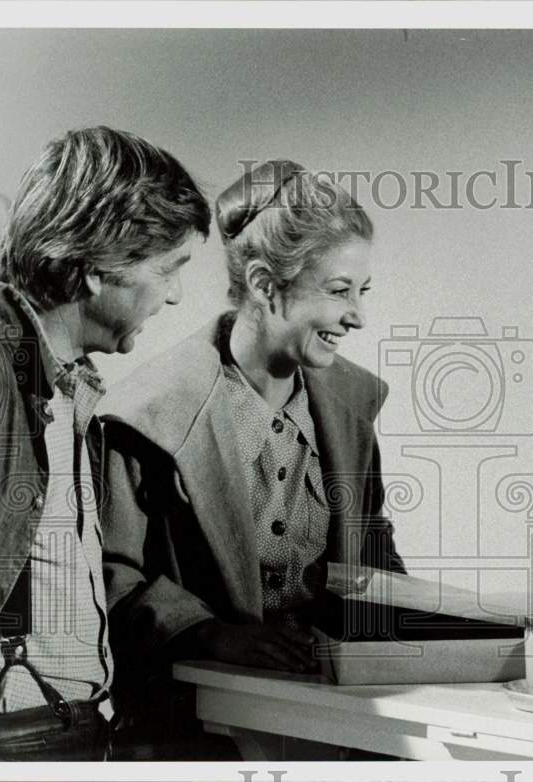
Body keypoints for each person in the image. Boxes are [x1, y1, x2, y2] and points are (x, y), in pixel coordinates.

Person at [100, 159, 407, 757]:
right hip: (197, 730)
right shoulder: (148, 413)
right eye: (339, 292)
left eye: (361, 292)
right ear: (266, 285)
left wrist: (444, 629)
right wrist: (210, 634)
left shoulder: (353, 401)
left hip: (336, 721)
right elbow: (113, 575)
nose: (358, 316)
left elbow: (372, 543)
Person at [0, 126, 210, 761]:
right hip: (13, 742)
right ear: (95, 269)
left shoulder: (69, 390)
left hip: (66, 734)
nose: (173, 294)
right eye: (168, 269)